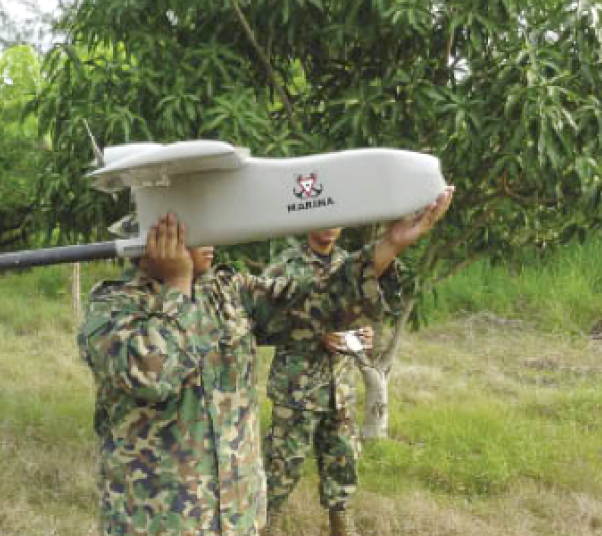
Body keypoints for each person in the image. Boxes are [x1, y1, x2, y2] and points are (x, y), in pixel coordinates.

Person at [78, 188, 451, 536]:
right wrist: (178, 285)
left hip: (237, 516)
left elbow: (315, 304)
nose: (213, 242)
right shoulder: (113, 308)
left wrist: (389, 246)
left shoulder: (228, 291)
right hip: (160, 521)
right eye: (198, 231)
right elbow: (152, 374)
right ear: (158, 238)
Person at [262, 188, 453, 536]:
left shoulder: (352, 264)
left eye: (336, 219)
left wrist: (364, 335)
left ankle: (343, 528)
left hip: (340, 390)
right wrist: (316, 334)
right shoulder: (284, 265)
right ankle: (266, 527)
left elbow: (376, 310)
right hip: (297, 392)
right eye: (320, 218)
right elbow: (267, 323)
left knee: (342, 471)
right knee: (279, 471)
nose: (329, 227)